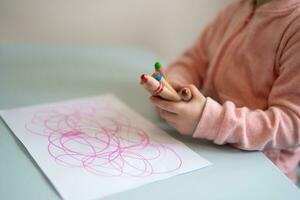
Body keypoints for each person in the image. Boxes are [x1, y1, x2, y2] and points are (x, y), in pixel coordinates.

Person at [150, 0, 300, 183]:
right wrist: (176, 84)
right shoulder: (238, 8)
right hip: (204, 150)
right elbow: (194, 59)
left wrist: (207, 119)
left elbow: (292, 125)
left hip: (261, 174)